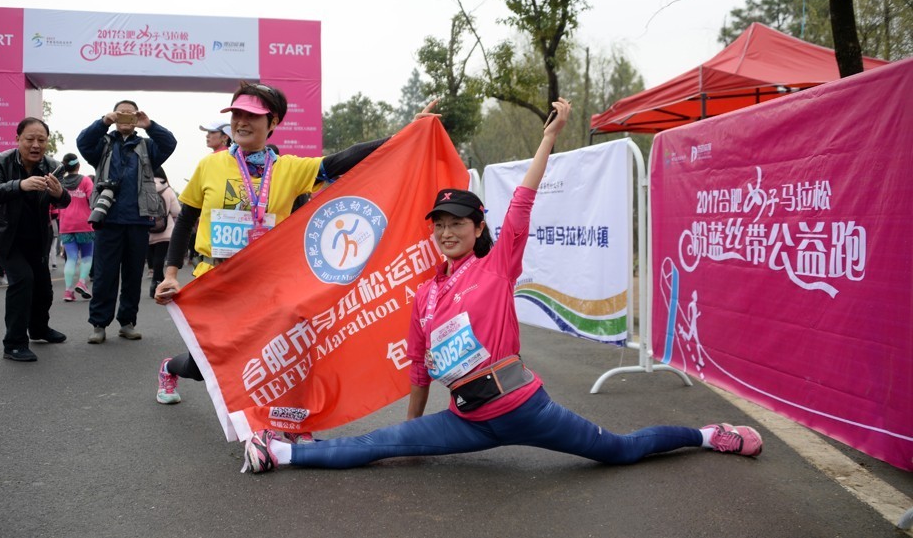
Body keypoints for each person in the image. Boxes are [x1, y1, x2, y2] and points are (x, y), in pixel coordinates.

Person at [241, 99, 764, 474]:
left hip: (526, 409)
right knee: (378, 444)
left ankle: (707, 435)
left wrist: (550, 137)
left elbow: (522, 203)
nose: (446, 232)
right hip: (465, 419)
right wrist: (413, 434)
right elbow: (420, 369)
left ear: (478, 229)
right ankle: (279, 451)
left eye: (457, 223)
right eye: (439, 224)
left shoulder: (496, 265)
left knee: (621, 451)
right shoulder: (424, 295)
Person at [152, 82, 437, 407]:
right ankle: (169, 367)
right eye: (237, 114)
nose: (242, 122)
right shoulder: (211, 165)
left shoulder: (288, 168)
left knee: (269, 359)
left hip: (268, 284)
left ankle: (276, 425)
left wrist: (403, 136)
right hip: (214, 282)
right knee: (204, 367)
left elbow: (343, 159)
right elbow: (186, 219)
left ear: (273, 123)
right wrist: (171, 273)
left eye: (253, 116)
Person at [77, 99, 177, 344]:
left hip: (138, 220)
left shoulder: (148, 146)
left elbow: (170, 143)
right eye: (121, 114)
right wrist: (103, 122)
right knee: (104, 275)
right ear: (114, 115)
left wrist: (149, 125)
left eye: (130, 115)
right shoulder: (102, 144)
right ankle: (99, 324)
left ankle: (127, 322)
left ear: (136, 118)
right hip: (108, 219)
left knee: (133, 275)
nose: (125, 118)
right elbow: (82, 142)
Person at [0, 117, 71, 362]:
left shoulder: (53, 166)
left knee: (43, 288)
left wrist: (58, 193)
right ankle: (13, 343)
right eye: (29, 139)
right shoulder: (0, 161)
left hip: (37, 239)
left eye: (41, 140)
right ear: (17, 139)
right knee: (23, 281)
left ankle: (39, 329)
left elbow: (64, 201)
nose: (35, 145)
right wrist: (20, 185)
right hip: (5, 238)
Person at [57, 153, 95, 302]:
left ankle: (68, 291)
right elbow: (93, 199)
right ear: (78, 166)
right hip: (84, 224)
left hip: (65, 225)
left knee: (71, 258)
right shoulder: (85, 181)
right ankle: (82, 282)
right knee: (87, 257)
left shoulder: (60, 183)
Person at [146, 167, 180, 299]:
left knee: (153, 257)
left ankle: (158, 282)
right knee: (160, 257)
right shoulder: (167, 189)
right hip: (166, 229)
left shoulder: (144, 188)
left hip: (148, 229)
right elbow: (176, 211)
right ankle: (156, 282)